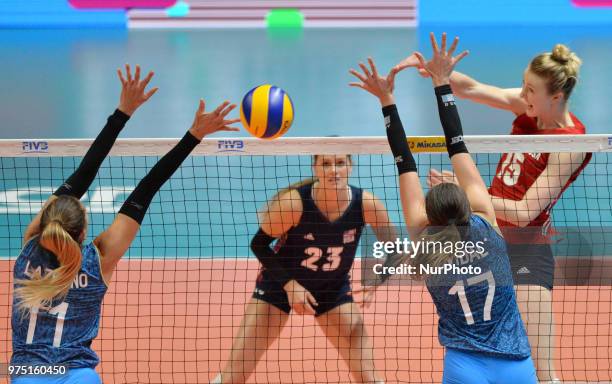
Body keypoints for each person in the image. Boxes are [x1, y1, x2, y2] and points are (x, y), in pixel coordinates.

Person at [11, 64, 239, 384]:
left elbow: (82, 174)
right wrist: (194, 135)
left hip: (28, 374)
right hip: (79, 376)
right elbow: (145, 190)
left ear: (46, 224)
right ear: (83, 232)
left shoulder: (29, 249)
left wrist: (122, 113)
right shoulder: (98, 260)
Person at [394, 38, 590, 383]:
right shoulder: (528, 107)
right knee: (476, 342)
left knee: (542, 369)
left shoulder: (570, 143)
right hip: (483, 243)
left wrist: (471, 196)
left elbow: (525, 210)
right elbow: (469, 88)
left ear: (555, 97)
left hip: (526, 247)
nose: (522, 94)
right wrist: (437, 71)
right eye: (524, 85)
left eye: (530, 89)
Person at [349, 33, 537, 384]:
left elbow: (403, 160)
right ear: (466, 205)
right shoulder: (485, 220)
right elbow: (457, 142)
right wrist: (441, 81)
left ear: (429, 218)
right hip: (515, 362)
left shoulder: (424, 241)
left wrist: (387, 99)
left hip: (464, 366)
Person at [212, 154, 397, 384]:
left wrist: (377, 280)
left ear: (350, 166)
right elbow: (258, 244)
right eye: (326, 164)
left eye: (340, 163)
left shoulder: (366, 204)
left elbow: (395, 248)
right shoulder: (293, 204)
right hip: (279, 285)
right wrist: (290, 285)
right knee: (233, 376)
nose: (333, 170)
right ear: (315, 167)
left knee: (369, 377)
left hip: (332, 289)